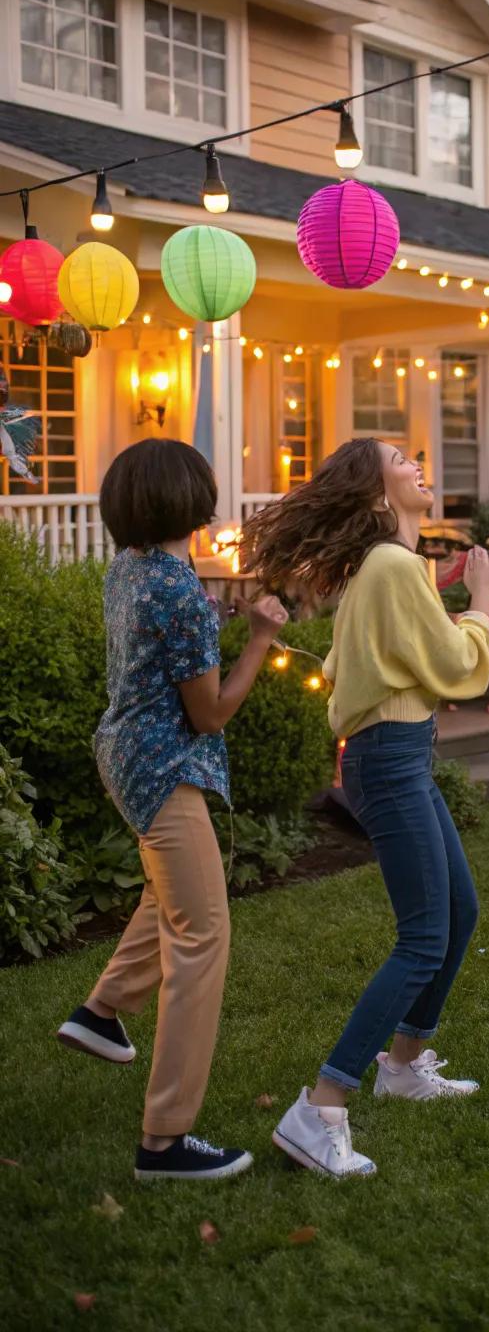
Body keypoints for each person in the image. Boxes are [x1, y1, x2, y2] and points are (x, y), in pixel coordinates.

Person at [239, 438, 489, 1180]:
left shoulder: (388, 567)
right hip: (388, 758)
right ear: (376, 492)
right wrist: (481, 604)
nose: (418, 461)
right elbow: (457, 669)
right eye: (400, 458)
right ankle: (320, 1108)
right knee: (423, 936)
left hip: (399, 752)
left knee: (461, 911)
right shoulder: (391, 566)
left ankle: (404, 1064)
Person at [56, 439, 288, 1180]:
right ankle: (166, 1140)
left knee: (175, 898)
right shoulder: (179, 589)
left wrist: (212, 619)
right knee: (204, 932)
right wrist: (259, 639)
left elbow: (165, 649)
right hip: (165, 768)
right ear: (190, 502)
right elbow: (211, 713)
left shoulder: (131, 571)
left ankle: (101, 1012)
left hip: (123, 757)